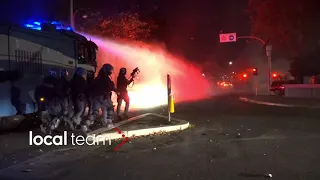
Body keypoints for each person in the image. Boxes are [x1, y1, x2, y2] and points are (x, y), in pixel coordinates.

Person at [87, 64, 117, 129]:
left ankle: (86, 124)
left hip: (95, 97)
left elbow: (92, 87)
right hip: (103, 96)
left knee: (95, 112)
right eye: (110, 70)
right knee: (110, 108)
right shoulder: (105, 78)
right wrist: (114, 87)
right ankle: (108, 123)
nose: (111, 72)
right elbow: (110, 86)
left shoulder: (98, 77)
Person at [40, 68, 63, 134]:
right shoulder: (57, 81)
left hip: (46, 101)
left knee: (49, 116)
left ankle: (48, 128)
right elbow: (59, 92)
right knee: (57, 116)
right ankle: (51, 129)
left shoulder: (45, 80)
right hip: (54, 102)